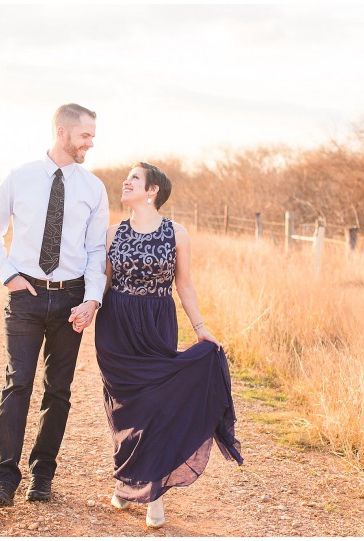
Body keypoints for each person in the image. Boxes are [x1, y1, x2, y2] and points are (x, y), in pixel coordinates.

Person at [94, 162, 243, 528]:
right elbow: (103, 281)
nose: (126, 183)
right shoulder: (113, 233)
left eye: (134, 179)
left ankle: (153, 494)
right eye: (126, 178)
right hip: (116, 327)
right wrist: (87, 308)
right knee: (124, 409)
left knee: (155, 406)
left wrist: (200, 328)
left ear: (153, 191)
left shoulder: (177, 233)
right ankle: (128, 480)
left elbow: (185, 285)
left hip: (157, 322)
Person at [0, 103, 109, 506]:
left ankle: (42, 477)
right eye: (85, 135)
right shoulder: (20, 177)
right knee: (18, 383)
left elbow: (96, 250)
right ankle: (4, 479)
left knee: (59, 391)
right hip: (26, 298)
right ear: (62, 132)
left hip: (71, 299)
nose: (91, 142)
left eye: (92, 135)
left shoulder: (94, 188)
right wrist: (10, 276)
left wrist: (91, 299)